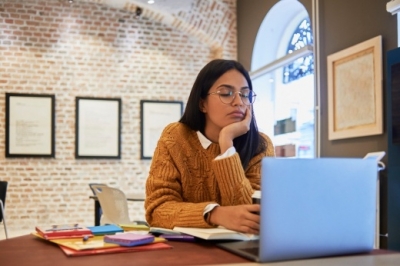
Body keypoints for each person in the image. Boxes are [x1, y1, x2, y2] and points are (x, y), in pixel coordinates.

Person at [145, 59, 275, 234]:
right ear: (202, 103)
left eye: (244, 94)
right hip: (185, 251)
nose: (238, 101)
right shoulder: (175, 137)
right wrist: (215, 214)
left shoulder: (261, 145)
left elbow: (250, 218)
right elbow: (157, 211)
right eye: (226, 93)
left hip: (243, 250)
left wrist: (226, 142)